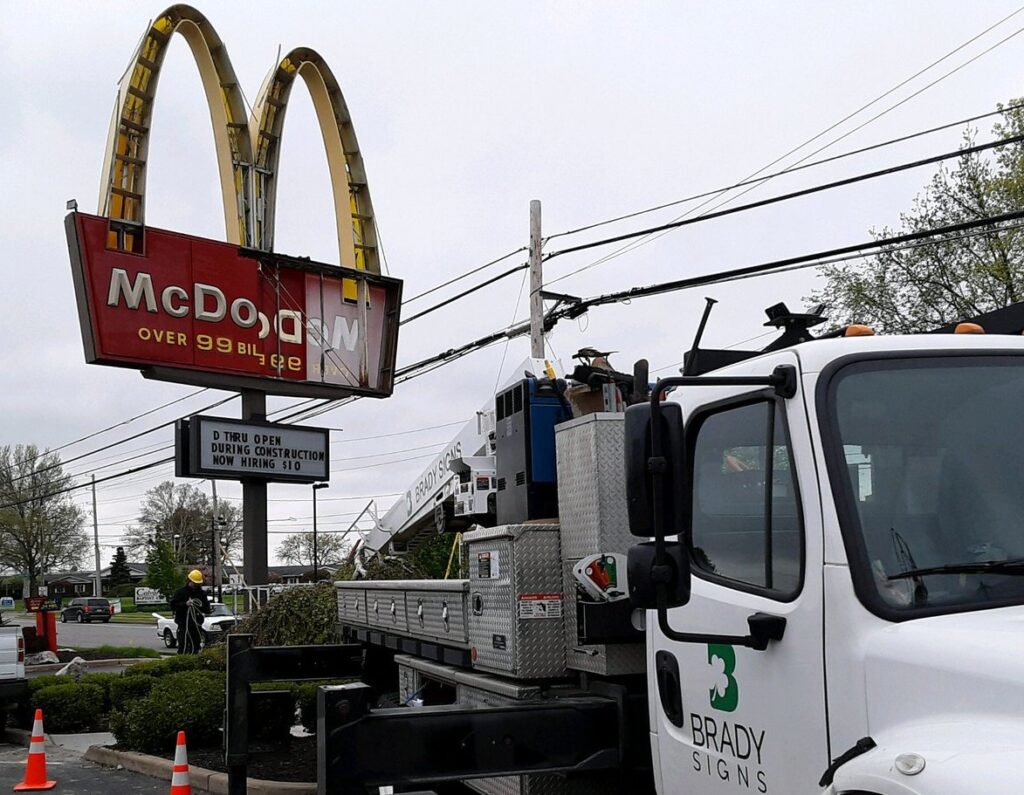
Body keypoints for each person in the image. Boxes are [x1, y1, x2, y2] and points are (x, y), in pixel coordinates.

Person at [169, 570, 211, 654]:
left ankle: (194, 661)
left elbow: (206, 608)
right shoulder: (180, 592)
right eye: (194, 583)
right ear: (189, 581)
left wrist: (205, 609)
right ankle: (182, 661)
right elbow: (173, 606)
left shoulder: (201, 594)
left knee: (196, 646)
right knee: (183, 645)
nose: (195, 586)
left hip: (196, 625)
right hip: (183, 625)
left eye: (197, 584)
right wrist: (185, 604)